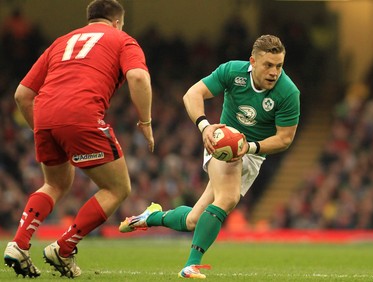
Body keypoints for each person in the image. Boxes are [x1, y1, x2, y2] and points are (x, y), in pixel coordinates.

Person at [119, 34, 300, 279]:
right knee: (227, 198)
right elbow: (192, 95)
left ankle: (151, 217)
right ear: (253, 62)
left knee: (194, 219)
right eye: (268, 65)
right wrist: (205, 126)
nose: (274, 72)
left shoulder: (288, 93)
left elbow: (284, 139)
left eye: (279, 66)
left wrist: (250, 147)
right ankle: (191, 264)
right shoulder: (232, 72)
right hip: (222, 143)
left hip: (254, 153)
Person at [3, 0, 154, 278]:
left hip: (45, 114)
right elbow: (139, 78)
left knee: (55, 184)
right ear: (118, 21)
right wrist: (145, 121)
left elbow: (22, 94)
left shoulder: (61, 41)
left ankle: (19, 244)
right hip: (82, 114)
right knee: (117, 189)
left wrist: (42, 129)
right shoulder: (122, 39)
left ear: (89, 19)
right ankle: (63, 249)